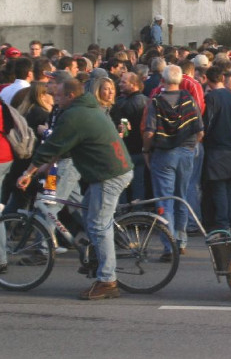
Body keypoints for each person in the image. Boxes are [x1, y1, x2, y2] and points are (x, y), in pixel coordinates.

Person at [15, 78, 133, 300]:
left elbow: (52, 145)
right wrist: (45, 167)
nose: (55, 100)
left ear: (70, 95)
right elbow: (65, 146)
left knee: (99, 225)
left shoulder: (74, 115)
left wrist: (28, 172)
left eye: (58, 95)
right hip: (109, 171)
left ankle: (108, 280)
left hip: (109, 174)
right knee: (87, 213)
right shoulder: (86, 108)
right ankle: (94, 257)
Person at [142, 65, 203, 256]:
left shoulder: (156, 102)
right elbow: (200, 130)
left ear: (163, 79)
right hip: (186, 151)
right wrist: (192, 146)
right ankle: (181, 240)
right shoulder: (189, 99)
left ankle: (169, 246)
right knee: (181, 196)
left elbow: (150, 131)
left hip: (164, 153)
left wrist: (146, 149)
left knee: (165, 200)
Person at [202, 66, 231, 230]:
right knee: (230, 188)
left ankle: (223, 224)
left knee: (219, 188)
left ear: (208, 79)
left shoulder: (212, 98)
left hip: (216, 147)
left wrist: (203, 134)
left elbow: (208, 122)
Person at [112, 72, 149, 202]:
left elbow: (125, 130)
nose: (120, 84)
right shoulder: (147, 100)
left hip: (129, 151)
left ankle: (123, 213)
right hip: (142, 150)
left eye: (124, 82)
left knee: (123, 185)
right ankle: (138, 211)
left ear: (133, 85)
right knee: (139, 184)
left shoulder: (126, 105)